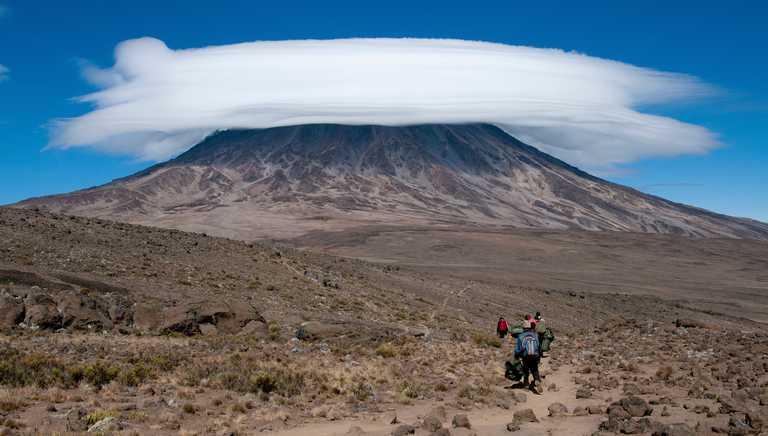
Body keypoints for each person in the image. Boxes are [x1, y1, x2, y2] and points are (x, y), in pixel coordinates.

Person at [514, 319, 542, 393]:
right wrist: (539, 356)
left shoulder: (520, 336)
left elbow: (518, 349)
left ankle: (526, 385)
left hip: (525, 356)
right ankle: (537, 380)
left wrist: (516, 355)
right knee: (535, 369)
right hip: (535, 355)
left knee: (525, 370)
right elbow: (539, 346)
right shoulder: (535, 335)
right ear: (530, 327)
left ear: (523, 328)